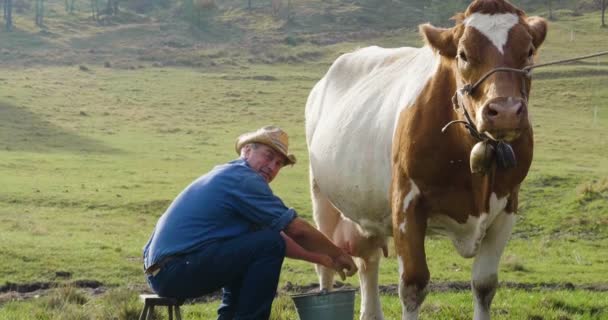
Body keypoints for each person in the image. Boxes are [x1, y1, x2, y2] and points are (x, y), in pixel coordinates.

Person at [142, 125, 357, 320]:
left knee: (254, 246)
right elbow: (295, 231)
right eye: (268, 156)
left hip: (165, 270)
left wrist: (322, 257)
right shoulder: (244, 180)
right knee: (266, 244)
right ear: (246, 151)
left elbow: (279, 238)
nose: (272, 167)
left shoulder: (231, 175)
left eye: (278, 163)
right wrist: (338, 254)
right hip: (176, 269)